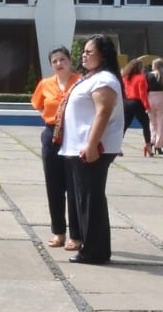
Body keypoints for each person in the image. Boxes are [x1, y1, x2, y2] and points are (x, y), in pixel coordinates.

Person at [59, 34, 125, 265]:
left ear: (103, 55)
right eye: (84, 51)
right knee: (85, 199)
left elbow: (103, 113)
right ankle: (93, 248)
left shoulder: (104, 80)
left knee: (90, 199)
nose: (84, 55)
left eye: (89, 52)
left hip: (91, 148)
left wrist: (91, 144)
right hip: (79, 148)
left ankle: (94, 252)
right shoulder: (92, 77)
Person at [30, 46, 81, 250]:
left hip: (74, 135)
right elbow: (39, 105)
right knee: (54, 186)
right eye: (55, 61)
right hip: (52, 135)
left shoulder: (80, 81)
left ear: (70, 60)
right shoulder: (45, 84)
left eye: (62, 59)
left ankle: (76, 235)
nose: (59, 64)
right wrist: (53, 118)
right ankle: (58, 232)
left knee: (74, 186)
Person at [120, 59, 154, 156]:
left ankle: (117, 147)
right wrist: (147, 107)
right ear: (139, 68)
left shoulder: (125, 78)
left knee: (124, 125)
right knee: (145, 124)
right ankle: (148, 146)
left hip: (126, 102)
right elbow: (143, 94)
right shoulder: (141, 78)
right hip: (137, 102)